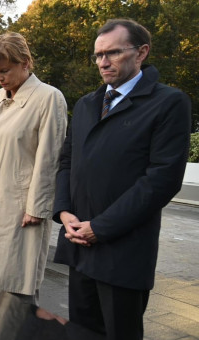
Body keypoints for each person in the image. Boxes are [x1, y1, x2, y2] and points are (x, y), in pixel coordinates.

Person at [53, 19, 191, 339]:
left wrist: (100, 228)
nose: (103, 62)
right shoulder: (87, 104)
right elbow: (66, 162)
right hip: (79, 245)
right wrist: (63, 212)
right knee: (82, 333)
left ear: (141, 52)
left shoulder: (168, 103)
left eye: (113, 53)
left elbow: (162, 179)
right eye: (98, 55)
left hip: (123, 254)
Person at [0, 32, 67, 304]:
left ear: (25, 62)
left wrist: (37, 207)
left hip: (21, 208)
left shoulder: (49, 98)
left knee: (18, 284)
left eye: (4, 70)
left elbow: (50, 156)